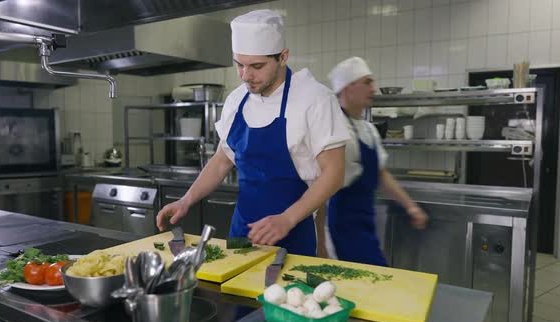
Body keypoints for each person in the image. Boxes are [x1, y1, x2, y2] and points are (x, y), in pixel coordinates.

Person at [156, 10, 350, 256]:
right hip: (243, 232)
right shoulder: (237, 100)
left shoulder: (315, 98)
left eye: (257, 66)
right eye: (240, 65)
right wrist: (186, 200)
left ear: (283, 56)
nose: (246, 76)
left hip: (294, 232)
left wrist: (287, 219)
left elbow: (334, 173)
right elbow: (221, 160)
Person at [325, 56, 428, 265]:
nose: (373, 89)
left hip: (364, 222)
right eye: (367, 82)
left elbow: (381, 174)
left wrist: (410, 206)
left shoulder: (368, 129)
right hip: (340, 227)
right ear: (347, 89)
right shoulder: (334, 130)